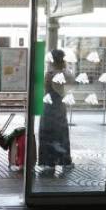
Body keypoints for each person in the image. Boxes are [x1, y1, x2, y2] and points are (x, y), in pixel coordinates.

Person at [38, 49, 75, 177]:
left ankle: (49, 163)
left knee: (48, 135)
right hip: (60, 108)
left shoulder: (49, 74)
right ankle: (65, 161)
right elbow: (68, 87)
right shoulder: (65, 73)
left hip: (48, 109)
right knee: (61, 135)